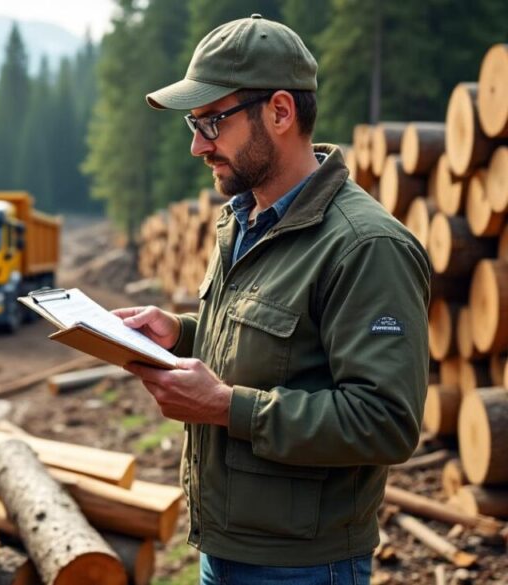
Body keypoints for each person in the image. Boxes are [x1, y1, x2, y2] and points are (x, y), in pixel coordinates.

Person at [112, 14, 430, 584]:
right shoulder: (243, 221)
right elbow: (276, 346)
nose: (197, 146)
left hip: (302, 568)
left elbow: (385, 421)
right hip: (223, 548)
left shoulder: (365, 246)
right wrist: (180, 333)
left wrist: (225, 407)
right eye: (193, 123)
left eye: (213, 121)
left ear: (281, 112)